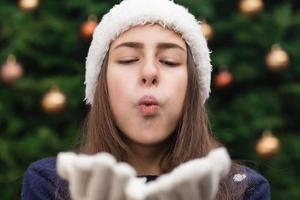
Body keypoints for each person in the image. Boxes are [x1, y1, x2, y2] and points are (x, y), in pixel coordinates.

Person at [21, 0, 270, 199]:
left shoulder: (244, 190)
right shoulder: (52, 183)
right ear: (102, 84)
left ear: (192, 87)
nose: (149, 73)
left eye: (169, 61)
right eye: (129, 59)